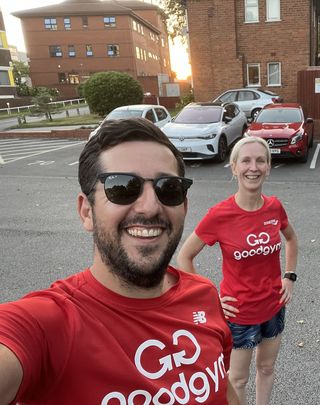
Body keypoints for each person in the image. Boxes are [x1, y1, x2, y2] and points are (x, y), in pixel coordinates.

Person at [0, 118, 239, 405]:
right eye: (123, 187)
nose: (150, 207)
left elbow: (222, 387)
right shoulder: (48, 325)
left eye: (169, 188)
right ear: (86, 212)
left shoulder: (204, 294)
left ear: (184, 206)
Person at [177, 136, 298, 405]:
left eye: (260, 161)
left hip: (274, 307)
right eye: (245, 160)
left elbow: (291, 239)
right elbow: (184, 256)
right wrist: (209, 300)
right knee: (238, 379)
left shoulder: (274, 207)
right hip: (239, 314)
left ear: (268, 167)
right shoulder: (220, 215)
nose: (252, 167)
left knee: (266, 368)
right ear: (234, 168)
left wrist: (289, 276)